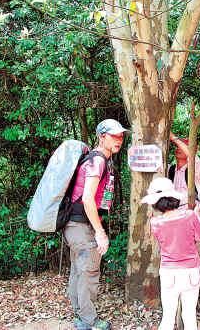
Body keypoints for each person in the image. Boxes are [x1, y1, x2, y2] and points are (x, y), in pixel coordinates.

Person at [64, 119, 128, 330]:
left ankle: (79, 313)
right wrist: (100, 233)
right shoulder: (98, 161)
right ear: (102, 136)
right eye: (114, 135)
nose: (119, 139)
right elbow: (87, 199)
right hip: (81, 226)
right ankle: (88, 321)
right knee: (89, 272)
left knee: (79, 270)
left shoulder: (95, 159)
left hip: (75, 225)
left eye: (121, 136)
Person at [141, 177, 200, 330]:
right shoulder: (190, 216)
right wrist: (196, 215)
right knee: (189, 315)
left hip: (169, 272)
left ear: (156, 203)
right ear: (174, 198)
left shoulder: (155, 223)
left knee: (168, 316)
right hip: (191, 271)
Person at [168, 131, 200, 309]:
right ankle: (186, 297)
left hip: (194, 221)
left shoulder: (195, 166)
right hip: (175, 224)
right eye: (177, 146)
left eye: (183, 145)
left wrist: (173, 137)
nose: (178, 148)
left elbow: (191, 155)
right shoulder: (170, 169)